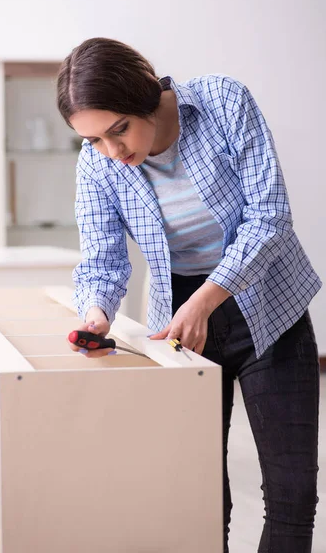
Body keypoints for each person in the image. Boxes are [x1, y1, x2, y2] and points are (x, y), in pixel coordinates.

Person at [56, 37, 322, 553]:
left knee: (293, 493)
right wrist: (95, 314)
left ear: (146, 96)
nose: (113, 152)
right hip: (176, 329)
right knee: (198, 493)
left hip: (269, 307)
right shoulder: (97, 165)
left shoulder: (224, 103)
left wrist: (206, 299)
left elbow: (269, 216)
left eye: (118, 131)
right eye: (93, 141)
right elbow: (103, 257)